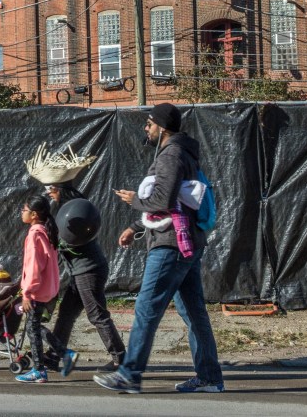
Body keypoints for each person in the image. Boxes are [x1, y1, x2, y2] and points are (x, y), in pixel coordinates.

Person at [94, 103, 225, 395]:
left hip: (169, 246)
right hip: (186, 242)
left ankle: (129, 374)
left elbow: (163, 201)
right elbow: (178, 205)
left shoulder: (171, 155)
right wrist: (136, 226)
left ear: (162, 127)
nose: (146, 128)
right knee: (193, 312)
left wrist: (134, 201)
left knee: (146, 308)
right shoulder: (185, 154)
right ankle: (209, 377)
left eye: (149, 123)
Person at [43, 182, 126, 375]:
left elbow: (65, 241)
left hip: (88, 271)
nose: (49, 193)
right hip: (80, 271)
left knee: (97, 314)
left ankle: (121, 358)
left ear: (61, 189)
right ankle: (54, 356)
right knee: (66, 313)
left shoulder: (75, 213)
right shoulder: (68, 209)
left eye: (52, 189)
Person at [14, 194, 61, 384]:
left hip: (36, 291)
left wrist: (27, 293)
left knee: (33, 330)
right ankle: (63, 353)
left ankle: (39, 370)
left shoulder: (34, 234)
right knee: (34, 327)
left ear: (33, 214)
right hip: (47, 290)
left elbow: (34, 266)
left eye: (24, 210)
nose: (21, 213)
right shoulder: (47, 231)